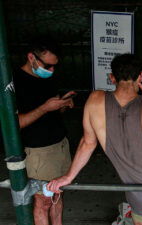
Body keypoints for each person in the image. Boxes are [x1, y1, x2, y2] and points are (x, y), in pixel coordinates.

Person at [47, 54, 142, 225]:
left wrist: (68, 177)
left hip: (137, 189)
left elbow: (88, 143)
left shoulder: (95, 100)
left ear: (112, 77)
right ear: (140, 77)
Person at [13, 36, 75, 225]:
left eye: (54, 66)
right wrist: (45, 108)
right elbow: (15, 124)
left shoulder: (48, 77)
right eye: (47, 65)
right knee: (43, 201)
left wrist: (63, 104)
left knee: (57, 195)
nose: (51, 70)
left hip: (60, 145)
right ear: (31, 57)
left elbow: (52, 108)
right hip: (38, 152)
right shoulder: (13, 83)